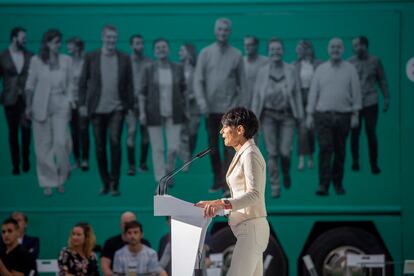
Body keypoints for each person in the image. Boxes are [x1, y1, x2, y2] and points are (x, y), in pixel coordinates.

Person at [196, 107, 269, 276]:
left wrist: (221, 203)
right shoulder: (243, 153)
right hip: (250, 228)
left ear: (240, 129)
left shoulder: (250, 154)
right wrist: (213, 204)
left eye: (224, 127)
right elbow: (241, 195)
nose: (221, 131)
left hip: (251, 228)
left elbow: (254, 195)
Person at [78, 24, 134, 196]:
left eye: (114, 38)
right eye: (108, 37)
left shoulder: (124, 58)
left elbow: (129, 85)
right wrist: (82, 104)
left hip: (117, 108)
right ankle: (105, 182)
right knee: (100, 147)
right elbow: (82, 82)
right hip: (96, 110)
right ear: (103, 37)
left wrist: (130, 107)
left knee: (115, 142)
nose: (111, 41)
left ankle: (115, 183)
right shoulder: (91, 56)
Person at [194, 18, 248, 193]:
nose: (223, 32)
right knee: (212, 149)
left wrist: (238, 109)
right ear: (215, 31)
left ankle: (227, 185)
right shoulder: (205, 53)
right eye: (220, 29)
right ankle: (217, 179)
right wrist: (202, 103)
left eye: (226, 30)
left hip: (229, 113)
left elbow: (243, 84)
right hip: (210, 111)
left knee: (229, 150)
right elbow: (198, 81)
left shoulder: (237, 55)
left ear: (229, 32)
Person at [306, 37, 362, 196]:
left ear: (343, 50)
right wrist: (309, 115)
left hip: (344, 116)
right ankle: (323, 185)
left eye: (338, 47)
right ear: (328, 49)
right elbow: (313, 93)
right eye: (332, 47)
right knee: (325, 149)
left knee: (340, 151)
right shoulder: (321, 69)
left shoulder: (350, 69)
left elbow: (356, 93)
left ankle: (337, 184)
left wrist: (355, 114)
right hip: (322, 116)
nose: (335, 49)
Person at [251, 38, 304, 198]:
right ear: (269, 52)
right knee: (272, 153)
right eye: (272, 49)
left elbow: (297, 94)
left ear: (283, 51)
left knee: (285, 152)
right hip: (268, 116)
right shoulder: (262, 72)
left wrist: (300, 115)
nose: (275, 52)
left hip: (287, 115)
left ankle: (286, 172)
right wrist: (253, 119)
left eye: (278, 49)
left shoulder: (291, 70)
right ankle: (275, 185)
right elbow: (256, 96)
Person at [25, 29, 72, 196]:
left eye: (59, 41)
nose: (57, 45)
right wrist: (28, 106)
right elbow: (30, 85)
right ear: (46, 43)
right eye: (54, 42)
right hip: (41, 106)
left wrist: (70, 102)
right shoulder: (36, 61)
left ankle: (62, 176)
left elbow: (71, 83)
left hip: (61, 104)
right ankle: (48, 181)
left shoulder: (67, 60)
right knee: (43, 146)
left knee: (61, 143)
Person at [139, 38, 186, 183]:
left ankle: (168, 172)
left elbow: (184, 90)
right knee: (157, 149)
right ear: (154, 51)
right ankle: (160, 180)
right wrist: (142, 112)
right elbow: (142, 92)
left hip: (175, 114)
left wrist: (186, 110)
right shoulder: (148, 69)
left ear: (168, 49)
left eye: (164, 47)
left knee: (173, 148)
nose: (161, 49)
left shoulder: (177, 68)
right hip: (154, 114)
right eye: (158, 47)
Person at [348, 35, 390, 174]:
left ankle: (374, 164)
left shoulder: (375, 61)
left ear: (364, 45)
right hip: (355, 104)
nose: (354, 48)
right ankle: (355, 161)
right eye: (353, 46)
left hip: (371, 102)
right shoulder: (349, 62)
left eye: (356, 45)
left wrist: (386, 98)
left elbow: (382, 80)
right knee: (355, 133)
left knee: (371, 133)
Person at [0, 26, 33, 175]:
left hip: (26, 100)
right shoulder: (2, 57)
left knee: (26, 131)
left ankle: (26, 159)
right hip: (10, 100)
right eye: (23, 37)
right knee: (12, 133)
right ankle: (15, 164)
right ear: (14, 38)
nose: (25, 40)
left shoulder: (31, 56)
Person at [293, 40, 322, 171]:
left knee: (311, 129)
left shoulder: (317, 64)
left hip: (314, 97)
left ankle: (310, 156)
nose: (297, 52)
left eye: (300, 49)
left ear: (307, 49)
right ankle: (301, 159)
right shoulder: (295, 65)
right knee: (302, 129)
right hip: (300, 97)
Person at [126, 34, 152, 176]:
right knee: (131, 132)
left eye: (141, 43)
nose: (140, 46)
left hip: (146, 105)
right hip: (130, 105)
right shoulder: (126, 62)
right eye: (136, 43)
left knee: (145, 135)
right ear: (131, 45)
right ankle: (131, 165)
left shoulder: (149, 62)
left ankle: (142, 163)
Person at [101, 211, 151, 276]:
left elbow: (154, 270)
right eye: (126, 223)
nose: (129, 226)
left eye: (131, 223)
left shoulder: (149, 250)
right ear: (120, 225)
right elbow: (105, 268)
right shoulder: (117, 251)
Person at [67, 36, 90, 171]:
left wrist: (86, 102)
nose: (68, 47)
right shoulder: (67, 62)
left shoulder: (85, 61)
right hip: (71, 101)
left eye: (70, 45)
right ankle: (76, 159)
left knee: (83, 130)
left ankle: (85, 159)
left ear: (77, 46)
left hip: (83, 101)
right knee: (73, 132)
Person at [178, 43, 200, 165]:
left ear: (188, 52)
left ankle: (190, 154)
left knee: (192, 133)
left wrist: (194, 95)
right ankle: (185, 159)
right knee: (181, 134)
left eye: (182, 50)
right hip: (180, 107)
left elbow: (201, 85)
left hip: (194, 107)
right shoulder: (177, 68)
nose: (179, 53)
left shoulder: (196, 69)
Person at [243, 35, 268, 109]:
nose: (247, 47)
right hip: (244, 104)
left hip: (262, 104)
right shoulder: (241, 62)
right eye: (245, 45)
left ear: (256, 46)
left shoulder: (266, 62)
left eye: (249, 45)